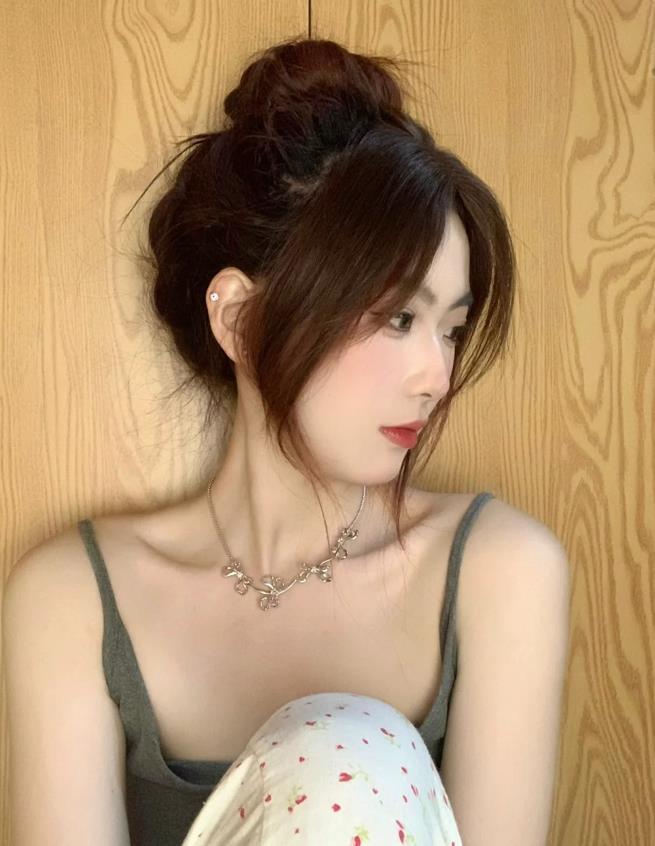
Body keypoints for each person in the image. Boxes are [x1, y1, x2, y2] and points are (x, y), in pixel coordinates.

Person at [2, 35, 570, 846]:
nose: (435, 377)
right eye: (397, 319)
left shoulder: (498, 572)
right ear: (240, 319)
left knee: (349, 752)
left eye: (450, 329)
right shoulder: (73, 600)